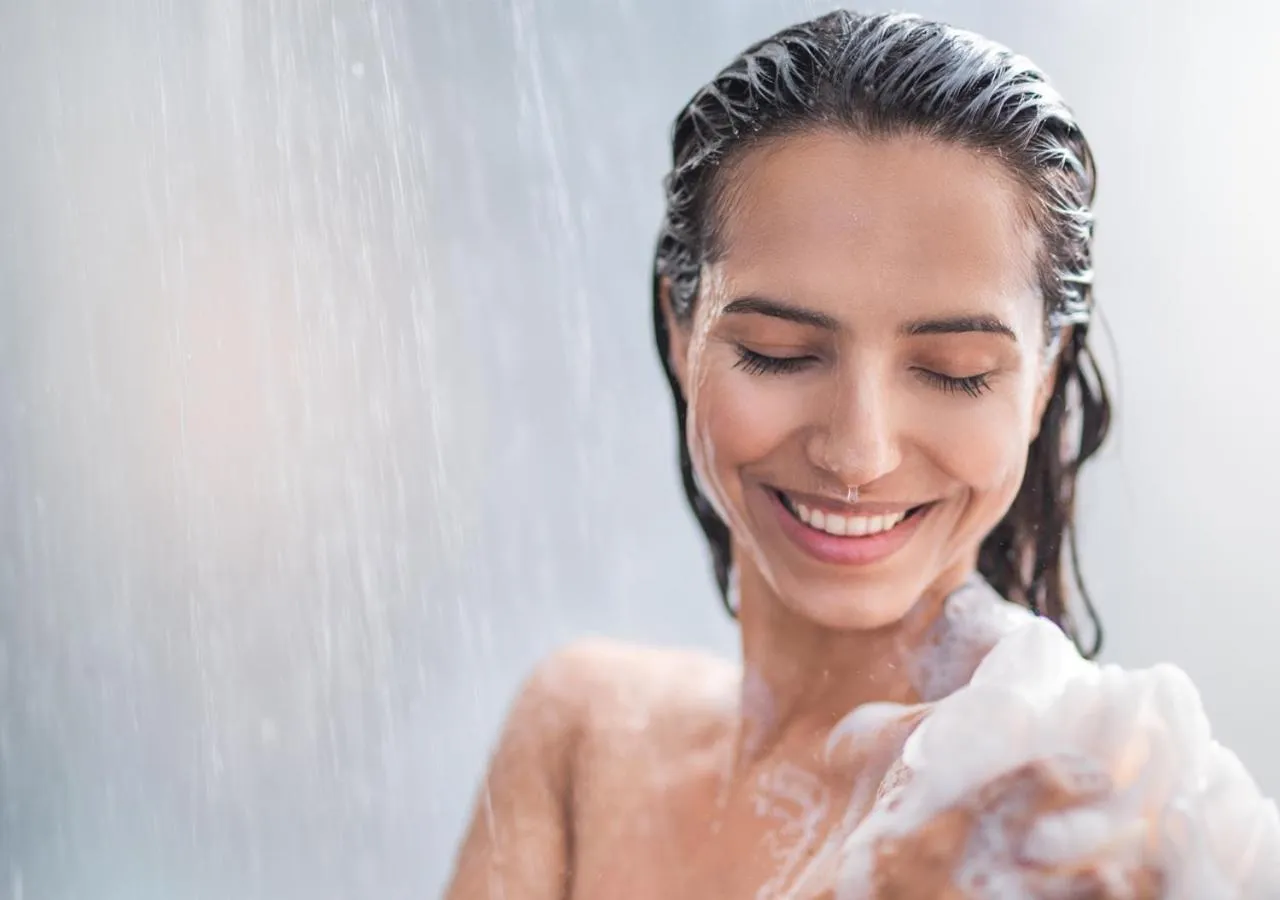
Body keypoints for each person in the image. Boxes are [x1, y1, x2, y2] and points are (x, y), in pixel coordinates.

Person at [445, 10, 1162, 898]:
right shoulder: (583, 735)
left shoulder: (1076, 821)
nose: (857, 451)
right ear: (680, 331)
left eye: (953, 372)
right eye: (779, 353)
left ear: (1044, 380)